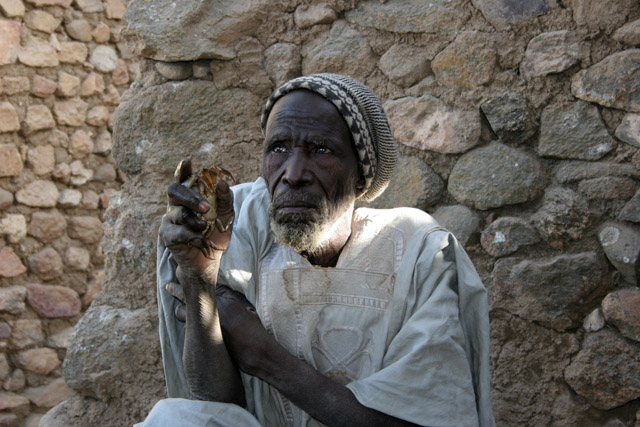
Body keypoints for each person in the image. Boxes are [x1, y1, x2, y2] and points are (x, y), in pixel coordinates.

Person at [140, 73, 495, 427]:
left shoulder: (419, 252)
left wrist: (264, 356)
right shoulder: (238, 225)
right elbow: (215, 409)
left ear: (361, 175)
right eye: (278, 148)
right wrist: (199, 280)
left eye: (322, 150)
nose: (293, 174)